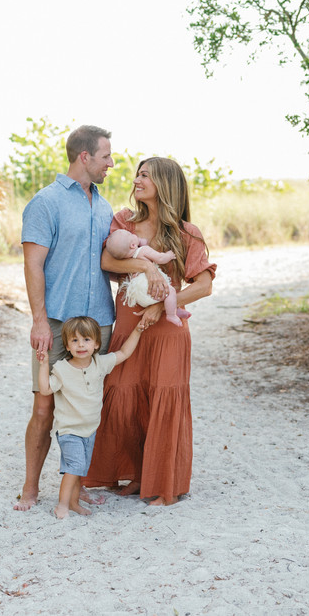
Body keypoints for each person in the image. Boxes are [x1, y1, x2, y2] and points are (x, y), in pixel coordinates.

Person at [83, 157, 216, 506]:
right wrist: (146, 265)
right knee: (122, 395)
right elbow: (106, 261)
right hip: (129, 325)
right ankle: (136, 475)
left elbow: (204, 285)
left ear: (164, 183)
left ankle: (165, 486)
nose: (136, 180)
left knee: (163, 400)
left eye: (145, 175)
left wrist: (163, 305)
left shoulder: (187, 232)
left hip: (168, 331)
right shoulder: (124, 222)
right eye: (137, 174)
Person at [13, 125, 116, 511]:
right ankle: (30, 488)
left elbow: (110, 261)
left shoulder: (105, 207)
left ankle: (77, 485)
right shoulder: (46, 203)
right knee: (44, 407)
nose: (111, 163)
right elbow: (33, 265)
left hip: (98, 321)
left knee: (87, 406)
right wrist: (39, 320)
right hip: (56, 321)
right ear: (84, 157)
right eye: (106, 156)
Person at [37, 316, 144, 519]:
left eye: (86, 339)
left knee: (78, 470)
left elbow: (124, 353)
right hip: (69, 430)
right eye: (75, 340)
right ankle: (62, 505)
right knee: (74, 468)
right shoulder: (62, 369)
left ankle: (74, 503)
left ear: (96, 344)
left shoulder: (99, 363)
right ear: (67, 346)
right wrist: (43, 365)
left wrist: (137, 330)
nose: (81, 345)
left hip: (89, 429)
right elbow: (45, 389)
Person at [104, 228, 190, 327]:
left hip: (140, 296)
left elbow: (138, 244)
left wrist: (138, 241)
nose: (133, 234)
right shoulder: (144, 250)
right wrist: (169, 255)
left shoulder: (127, 259)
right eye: (130, 234)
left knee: (165, 298)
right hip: (151, 288)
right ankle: (171, 315)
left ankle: (175, 310)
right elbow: (160, 258)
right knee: (170, 292)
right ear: (133, 245)